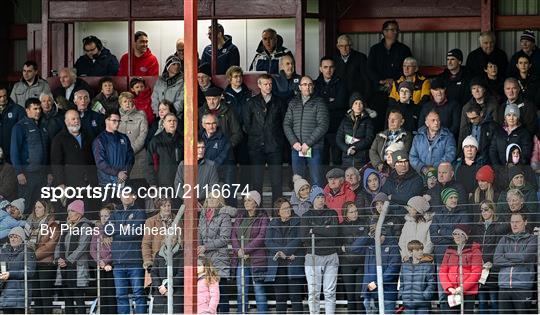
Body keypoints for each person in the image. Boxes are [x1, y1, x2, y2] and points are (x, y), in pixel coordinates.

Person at [104, 188, 147, 314]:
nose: (126, 197)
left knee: (138, 294)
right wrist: (125, 228)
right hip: (118, 262)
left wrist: (118, 230)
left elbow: (135, 231)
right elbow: (107, 229)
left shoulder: (139, 212)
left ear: (134, 197)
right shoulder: (115, 213)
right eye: (124, 194)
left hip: (135, 261)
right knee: (120, 296)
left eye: (129, 194)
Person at [243, 74, 285, 202]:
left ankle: (278, 212)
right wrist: (258, 135)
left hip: (275, 145)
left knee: (277, 181)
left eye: (270, 84)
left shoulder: (279, 102)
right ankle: (257, 213)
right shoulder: (251, 102)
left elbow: (284, 123)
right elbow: (246, 124)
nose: (268, 86)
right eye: (265, 84)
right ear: (259, 85)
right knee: (256, 181)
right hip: (256, 146)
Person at [283, 75, 329, 187]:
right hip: (297, 148)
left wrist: (308, 144)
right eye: (304, 84)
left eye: (309, 84)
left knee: (316, 180)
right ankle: (300, 204)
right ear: (299, 87)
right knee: (298, 181)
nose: (307, 87)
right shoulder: (293, 103)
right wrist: (294, 142)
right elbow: (286, 124)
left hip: (314, 148)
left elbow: (323, 125)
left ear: (313, 86)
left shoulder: (319, 102)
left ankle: (317, 204)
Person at [50, 110, 98, 218]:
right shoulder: (59, 139)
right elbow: (56, 163)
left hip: (88, 182)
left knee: (88, 211)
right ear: (66, 121)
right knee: (72, 213)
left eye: (77, 118)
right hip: (70, 184)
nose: (76, 121)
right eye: (73, 119)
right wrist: (61, 183)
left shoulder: (87, 136)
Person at [300, 186, 339, 315]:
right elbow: (304, 237)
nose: (321, 200)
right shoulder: (306, 216)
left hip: (331, 255)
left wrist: (314, 230)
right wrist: (324, 230)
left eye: (322, 197)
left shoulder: (332, 213)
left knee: (330, 292)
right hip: (313, 256)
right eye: (318, 197)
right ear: (312, 199)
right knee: (313, 293)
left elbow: (334, 233)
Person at [231, 191, 269, 313]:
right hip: (241, 260)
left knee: (259, 290)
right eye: (245, 200)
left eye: (249, 200)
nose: (246, 202)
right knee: (241, 291)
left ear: (256, 203)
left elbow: (262, 236)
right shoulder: (240, 216)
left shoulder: (263, 217)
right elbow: (233, 236)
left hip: (256, 260)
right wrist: (238, 251)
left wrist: (245, 250)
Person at [265, 198, 305, 314]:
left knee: (295, 298)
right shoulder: (272, 223)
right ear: (278, 211)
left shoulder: (298, 221)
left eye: (289, 207)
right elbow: (268, 241)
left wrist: (285, 252)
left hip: (294, 264)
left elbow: (299, 239)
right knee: (280, 298)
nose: (288, 210)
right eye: (284, 208)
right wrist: (280, 252)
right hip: (278, 266)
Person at [198, 194, 236, 313]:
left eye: (214, 198)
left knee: (222, 296)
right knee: (208, 296)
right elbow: (199, 234)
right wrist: (199, 247)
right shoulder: (203, 215)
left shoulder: (224, 215)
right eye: (209, 198)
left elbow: (225, 238)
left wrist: (205, 247)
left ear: (220, 200)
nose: (210, 200)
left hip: (220, 259)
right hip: (206, 261)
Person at [11, 98, 50, 212]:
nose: (38, 111)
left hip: (41, 173)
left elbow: (46, 151)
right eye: (35, 109)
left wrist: (48, 171)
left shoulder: (42, 126)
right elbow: (14, 152)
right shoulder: (20, 127)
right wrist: (19, 173)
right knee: (25, 205)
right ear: (27, 110)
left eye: (39, 109)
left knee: (40, 206)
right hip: (27, 174)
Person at [494, 212, 538, 314]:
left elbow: (525, 257)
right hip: (504, 286)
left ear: (525, 222)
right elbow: (496, 260)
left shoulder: (532, 239)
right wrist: (517, 258)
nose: (514, 225)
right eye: (512, 222)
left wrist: (506, 255)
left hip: (522, 287)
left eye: (517, 222)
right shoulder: (504, 239)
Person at [54, 200, 92, 314]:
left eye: (72, 211)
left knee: (79, 298)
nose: (69, 213)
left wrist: (67, 260)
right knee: (67, 299)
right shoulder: (66, 227)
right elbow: (59, 245)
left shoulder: (85, 226)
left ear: (79, 213)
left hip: (77, 268)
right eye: (68, 211)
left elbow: (82, 247)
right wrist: (58, 259)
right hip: (65, 268)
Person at [471, 200, 507, 313]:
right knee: (482, 301)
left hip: (492, 267)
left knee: (494, 299)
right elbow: (474, 245)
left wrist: (491, 262)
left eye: (486, 209)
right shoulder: (478, 226)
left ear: (492, 210)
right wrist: (478, 260)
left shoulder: (497, 226)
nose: (483, 212)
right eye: (481, 210)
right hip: (480, 267)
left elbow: (498, 247)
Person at [439, 224, 483, 314]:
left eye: (460, 234)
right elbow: (443, 271)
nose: (457, 237)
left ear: (465, 236)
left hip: (468, 292)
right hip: (452, 292)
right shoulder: (449, 250)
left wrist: (462, 288)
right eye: (455, 234)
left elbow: (476, 273)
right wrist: (449, 288)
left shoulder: (474, 250)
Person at [24, 200, 58, 314]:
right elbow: (25, 241)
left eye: (39, 207)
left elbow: (50, 245)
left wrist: (32, 256)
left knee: (45, 294)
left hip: (46, 263)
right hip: (34, 264)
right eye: (35, 207)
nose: (36, 209)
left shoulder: (52, 224)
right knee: (36, 295)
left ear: (45, 209)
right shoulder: (29, 223)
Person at [314, 56, 348, 166]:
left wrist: (324, 102)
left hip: (337, 127)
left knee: (337, 159)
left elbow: (341, 103)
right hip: (321, 128)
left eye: (331, 67)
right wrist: (331, 101)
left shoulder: (341, 83)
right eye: (325, 67)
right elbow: (316, 104)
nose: (328, 70)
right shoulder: (315, 84)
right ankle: (324, 183)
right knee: (322, 160)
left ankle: (338, 183)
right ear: (320, 69)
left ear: (334, 68)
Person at [338, 201, 368, 313]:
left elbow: (367, 242)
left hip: (361, 263)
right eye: (351, 212)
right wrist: (341, 249)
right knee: (350, 296)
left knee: (359, 295)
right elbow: (336, 245)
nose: (355, 214)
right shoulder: (340, 227)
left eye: (356, 211)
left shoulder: (364, 224)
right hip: (346, 263)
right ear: (346, 214)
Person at [367, 20, 413, 93]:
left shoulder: (404, 49)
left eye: (397, 30)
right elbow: (370, 68)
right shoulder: (375, 49)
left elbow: (409, 68)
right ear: (384, 32)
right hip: (378, 87)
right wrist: (381, 81)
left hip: (399, 87)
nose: (396, 32)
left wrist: (394, 81)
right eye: (393, 30)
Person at [430, 188, 473, 263]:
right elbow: (433, 238)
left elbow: (461, 236)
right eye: (451, 197)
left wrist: (441, 231)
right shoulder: (437, 215)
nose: (454, 200)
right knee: (441, 274)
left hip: (456, 254)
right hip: (441, 255)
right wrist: (453, 237)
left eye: (455, 197)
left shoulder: (463, 214)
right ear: (444, 200)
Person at [92, 109, 135, 186]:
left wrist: (125, 172)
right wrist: (117, 173)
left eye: (119, 121)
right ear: (106, 121)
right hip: (106, 182)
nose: (117, 123)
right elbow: (100, 162)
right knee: (110, 198)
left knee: (128, 198)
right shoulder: (99, 140)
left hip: (123, 179)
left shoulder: (124, 137)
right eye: (114, 121)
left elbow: (131, 157)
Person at [0, 227, 36, 314]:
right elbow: (2, 267)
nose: (12, 239)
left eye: (16, 236)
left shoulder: (28, 252)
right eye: (11, 236)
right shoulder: (4, 252)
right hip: (6, 296)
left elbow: (29, 272)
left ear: (22, 238)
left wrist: (10, 274)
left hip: (20, 296)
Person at [89, 204, 116, 315]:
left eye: (107, 215)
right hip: (100, 265)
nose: (104, 218)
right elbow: (92, 249)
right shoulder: (97, 229)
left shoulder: (114, 229)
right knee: (102, 294)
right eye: (102, 216)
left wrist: (105, 261)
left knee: (111, 294)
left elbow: (115, 249)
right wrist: (99, 261)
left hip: (111, 265)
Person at [409, 110, 456, 174]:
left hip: (440, 174)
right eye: (433, 120)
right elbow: (412, 157)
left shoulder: (448, 137)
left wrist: (434, 168)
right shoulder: (418, 138)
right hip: (421, 174)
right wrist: (422, 168)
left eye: (438, 120)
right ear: (427, 123)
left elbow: (450, 155)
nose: (436, 123)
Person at [336, 92, 375, 168]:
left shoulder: (368, 121)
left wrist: (355, 147)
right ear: (352, 106)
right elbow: (338, 138)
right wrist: (347, 149)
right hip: (347, 158)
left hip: (362, 158)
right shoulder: (345, 121)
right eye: (356, 103)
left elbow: (369, 138)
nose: (358, 106)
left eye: (360, 103)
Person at [141, 198, 179, 275]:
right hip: (157, 261)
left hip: (175, 260)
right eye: (164, 206)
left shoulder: (177, 219)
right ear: (159, 207)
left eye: (169, 205)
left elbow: (182, 240)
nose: (167, 208)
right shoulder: (151, 221)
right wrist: (148, 261)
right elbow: (146, 243)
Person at [150, 229, 184, 313]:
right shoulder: (159, 254)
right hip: (160, 292)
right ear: (165, 238)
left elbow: (181, 274)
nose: (170, 239)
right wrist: (160, 287)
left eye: (173, 237)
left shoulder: (182, 254)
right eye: (168, 237)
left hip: (176, 293)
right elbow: (154, 272)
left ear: (177, 239)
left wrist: (167, 286)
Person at [118, 92, 148, 185]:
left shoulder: (141, 115)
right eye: (125, 101)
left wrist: (130, 150)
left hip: (138, 156)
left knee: (137, 185)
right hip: (121, 157)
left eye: (130, 101)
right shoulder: (116, 117)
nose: (128, 103)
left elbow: (143, 135)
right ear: (120, 104)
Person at [369, 108, 412, 173]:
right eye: (390, 119)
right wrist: (378, 164)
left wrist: (393, 163)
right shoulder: (380, 135)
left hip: (397, 167)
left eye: (395, 119)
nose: (391, 121)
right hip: (382, 167)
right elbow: (372, 151)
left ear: (401, 122)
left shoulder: (406, 136)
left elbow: (405, 152)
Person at [399, 240, 436, 314]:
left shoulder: (428, 265)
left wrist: (425, 296)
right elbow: (402, 282)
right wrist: (401, 295)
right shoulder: (405, 266)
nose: (420, 252)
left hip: (422, 304)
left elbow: (431, 284)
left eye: (421, 249)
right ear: (411, 252)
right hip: (408, 303)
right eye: (417, 250)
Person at [146, 113, 182, 188]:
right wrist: (152, 183)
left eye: (174, 121)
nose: (172, 123)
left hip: (180, 183)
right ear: (164, 124)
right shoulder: (155, 141)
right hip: (162, 183)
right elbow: (149, 163)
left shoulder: (183, 140)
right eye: (169, 121)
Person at [334, 35, 371, 101]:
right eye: (341, 46)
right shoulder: (334, 59)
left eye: (347, 46)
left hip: (356, 96)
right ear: (338, 47)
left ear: (350, 46)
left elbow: (366, 79)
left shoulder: (360, 57)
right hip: (339, 96)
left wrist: (365, 97)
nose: (344, 49)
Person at [399, 195, 433, 260]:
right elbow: (401, 242)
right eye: (408, 207)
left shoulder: (428, 224)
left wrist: (422, 256)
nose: (408, 209)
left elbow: (430, 242)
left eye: (411, 207)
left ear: (418, 210)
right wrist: (404, 255)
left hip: (423, 260)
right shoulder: (407, 223)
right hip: (409, 260)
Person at [0, 85, 26, 163]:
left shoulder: (18, 110)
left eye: (4, 96)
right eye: (0, 96)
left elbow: (24, 132)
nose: (3, 99)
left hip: (13, 155)